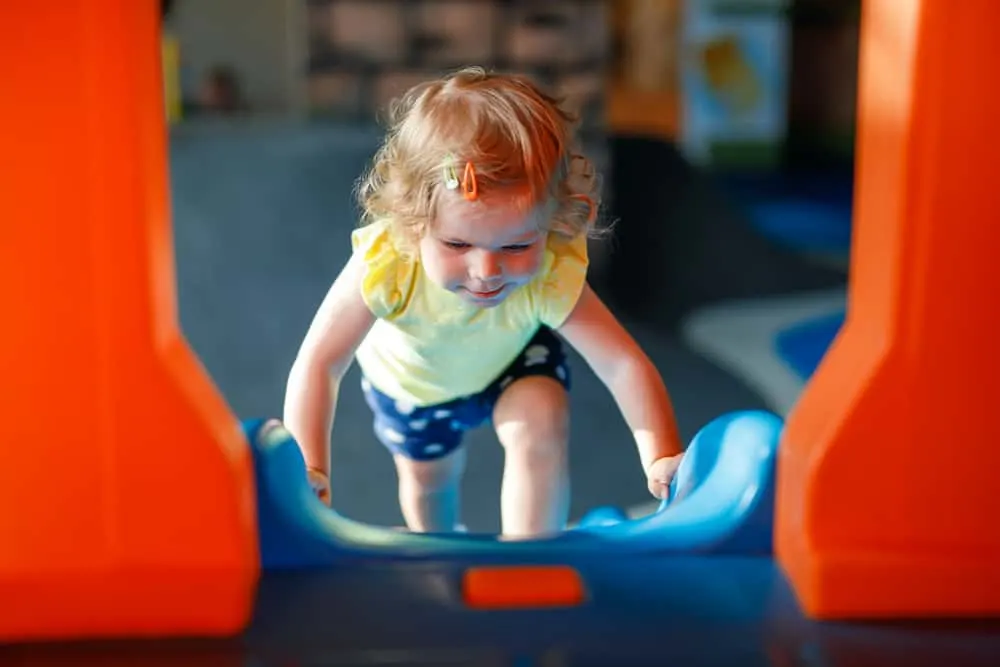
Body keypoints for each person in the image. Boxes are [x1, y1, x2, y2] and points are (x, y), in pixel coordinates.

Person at [282, 66, 684, 538]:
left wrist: (660, 453)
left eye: (516, 247)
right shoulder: (387, 263)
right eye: (457, 245)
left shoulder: (550, 270)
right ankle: (442, 545)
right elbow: (320, 363)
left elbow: (621, 364)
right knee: (429, 482)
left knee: (541, 417)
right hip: (414, 387)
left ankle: (531, 554)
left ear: (552, 224)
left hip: (511, 363)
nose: (487, 272)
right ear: (414, 223)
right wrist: (310, 468)